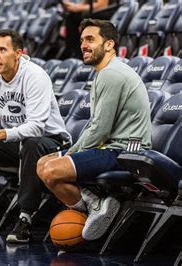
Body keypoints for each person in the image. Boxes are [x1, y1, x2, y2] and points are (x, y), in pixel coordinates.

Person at [37, 19, 152, 241]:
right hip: (109, 146)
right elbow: (96, 126)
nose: (83, 45)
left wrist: (71, 154)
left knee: (51, 170)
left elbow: (99, 129)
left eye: (90, 39)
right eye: (81, 40)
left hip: (125, 152)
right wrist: (71, 151)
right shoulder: (104, 72)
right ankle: (94, 203)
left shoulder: (112, 74)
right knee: (43, 164)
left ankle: (95, 207)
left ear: (109, 44)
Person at [0, 29, 70, 243]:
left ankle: (25, 218)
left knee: (31, 143)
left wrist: (0, 134)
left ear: (18, 53)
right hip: (14, 140)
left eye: (2, 50)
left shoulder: (35, 76)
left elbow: (36, 127)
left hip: (51, 142)